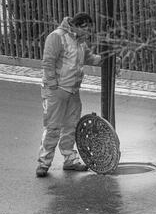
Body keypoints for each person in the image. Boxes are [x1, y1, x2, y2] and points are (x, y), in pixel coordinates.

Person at [36, 12, 114, 178]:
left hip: (72, 91)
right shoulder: (56, 37)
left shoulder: (80, 42)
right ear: (79, 26)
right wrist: (53, 86)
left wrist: (109, 59)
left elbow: (90, 58)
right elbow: (48, 62)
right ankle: (44, 163)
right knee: (53, 127)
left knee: (70, 127)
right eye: (86, 30)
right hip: (56, 91)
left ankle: (70, 160)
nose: (88, 34)